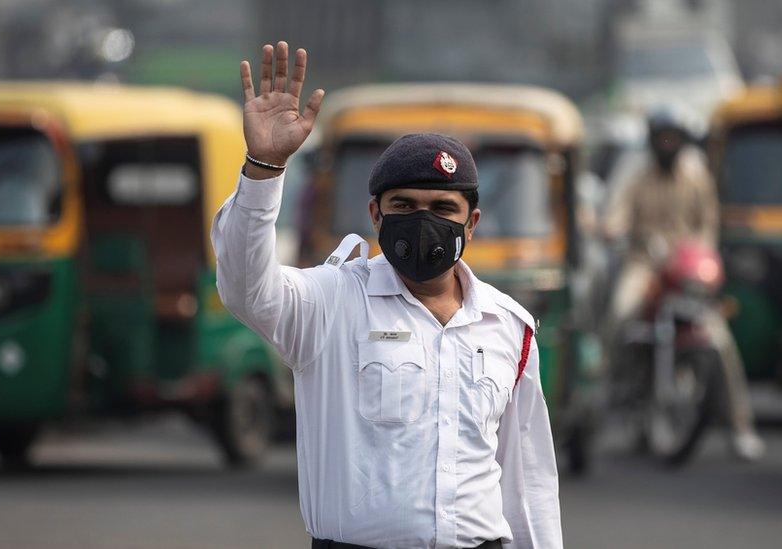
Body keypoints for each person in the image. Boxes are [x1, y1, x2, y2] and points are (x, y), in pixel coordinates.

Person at [211, 42, 561, 548]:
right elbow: (245, 287)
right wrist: (264, 167)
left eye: (443, 207)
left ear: (473, 223)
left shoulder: (509, 326)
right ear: (376, 215)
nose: (425, 221)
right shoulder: (328, 303)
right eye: (405, 205)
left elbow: (527, 482)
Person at [603, 106, 765, 461]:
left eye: (673, 138)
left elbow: (708, 226)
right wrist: (614, 228)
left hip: (687, 274)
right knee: (620, 311)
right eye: (661, 138)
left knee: (719, 340)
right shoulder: (638, 179)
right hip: (645, 265)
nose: (667, 144)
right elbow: (618, 216)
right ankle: (605, 391)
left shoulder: (696, 179)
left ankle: (741, 428)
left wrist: (699, 258)